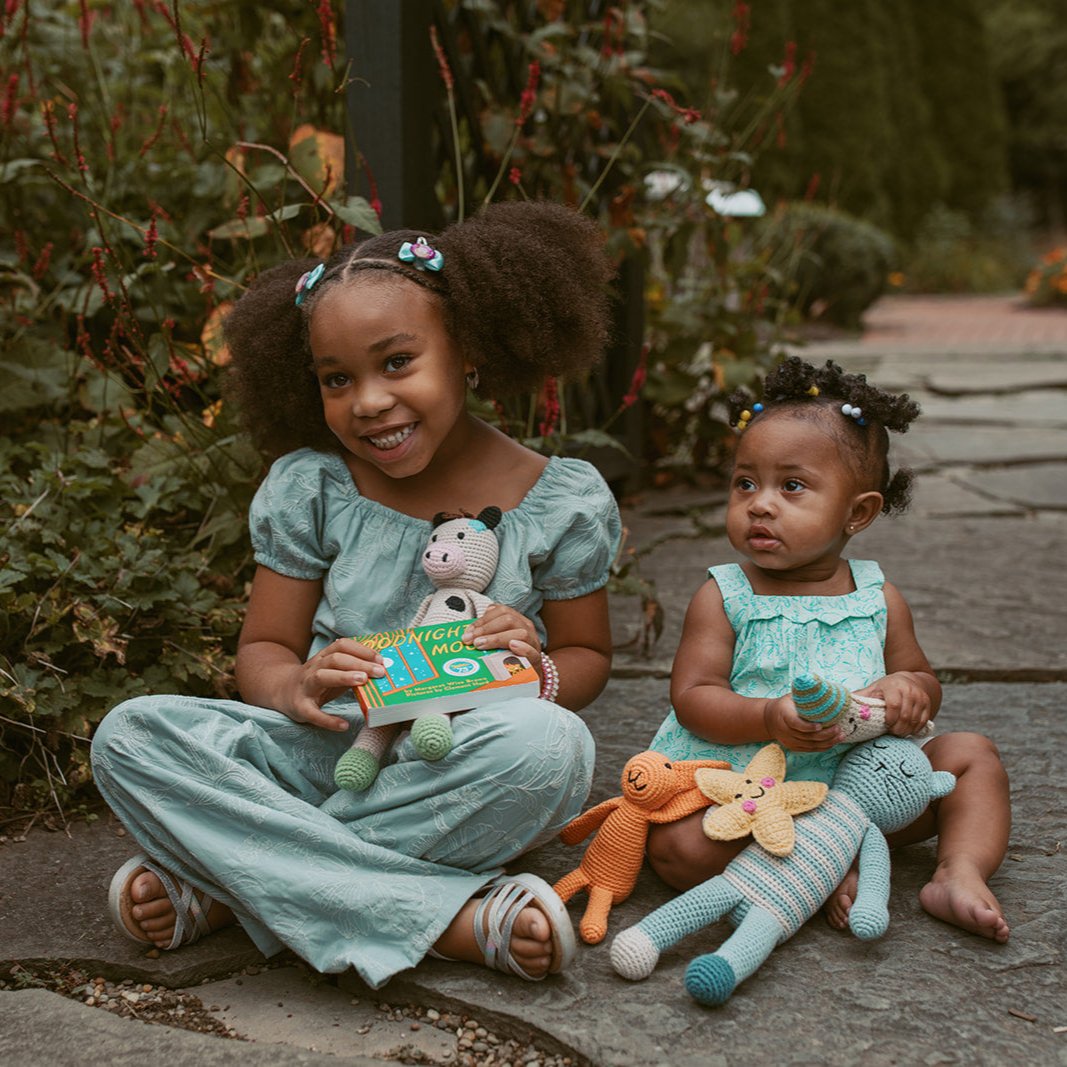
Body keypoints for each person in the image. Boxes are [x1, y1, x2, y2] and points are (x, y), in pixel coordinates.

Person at [90, 200, 623, 989]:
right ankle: (447, 919)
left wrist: (536, 664)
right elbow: (264, 651)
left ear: (468, 349)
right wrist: (296, 683)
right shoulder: (314, 485)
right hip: (323, 753)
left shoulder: (558, 498)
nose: (367, 401)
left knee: (555, 748)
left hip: (452, 762)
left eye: (396, 362)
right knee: (128, 736)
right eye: (337, 379)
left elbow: (588, 656)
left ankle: (234, 887)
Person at [645, 356, 1011, 943]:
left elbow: (920, 675)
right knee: (675, 848)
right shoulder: (723, 595)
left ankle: (958, 871)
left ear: (858, 511)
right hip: (753, 789)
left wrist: (909, 691)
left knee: (974, 757)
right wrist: (767, 717)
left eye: (792, 486)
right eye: (746, 483)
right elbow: (692, 697)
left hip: (863, 789)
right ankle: (819, 869)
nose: (760, 504)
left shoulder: (877, 595)